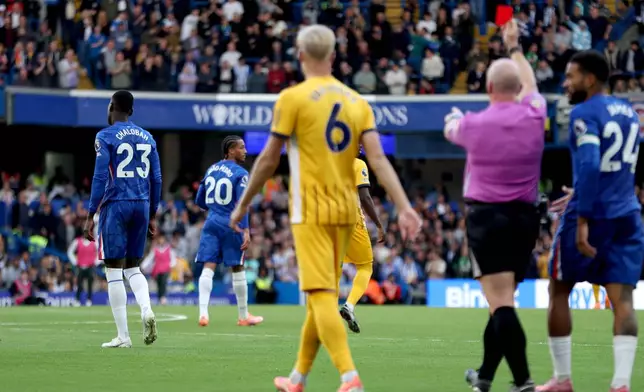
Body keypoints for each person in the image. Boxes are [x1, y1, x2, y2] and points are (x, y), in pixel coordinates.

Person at [229, 24, 422, 392]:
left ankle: (349, 377)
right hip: (348, 215)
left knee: (320, 297)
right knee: (321, 295)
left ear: (300, 56)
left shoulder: (292, 98)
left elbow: (269, 160)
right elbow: (379, 161)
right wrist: (405, 207)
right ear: (333, 56)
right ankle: (297, 378)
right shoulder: (356, 101)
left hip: (312, 213)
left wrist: (243, 204)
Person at [444, 19, 545, 392]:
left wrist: (453, 119)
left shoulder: (472, 124)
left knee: (500, 303)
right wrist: (515, 46)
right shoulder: (535, 113)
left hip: (486, 218)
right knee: (500, 301)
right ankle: (485, 376)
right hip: (525, 218)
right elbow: (532, 84)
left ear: (487, 88)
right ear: (517, 89)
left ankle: (523, 382)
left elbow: (449, 129)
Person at [537, 50, 643, 392]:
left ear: (590, 79)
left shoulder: (584, 113)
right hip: (627, 214)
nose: (566, 83)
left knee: (558, 289)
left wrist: (583, 217)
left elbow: (590, 164)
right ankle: (621, 384)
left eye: (571, 76)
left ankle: (563, 380)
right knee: (622, 300)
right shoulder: (629, 111)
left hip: (591, 214)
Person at [83, 90, 162, 349]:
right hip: (141, 204)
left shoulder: (104, 136)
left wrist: (90, 213)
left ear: (111, 107)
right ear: (132, 111)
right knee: (133, 267)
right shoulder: (148, 137)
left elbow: (99, 177)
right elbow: (157, 179)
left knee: (114, 271)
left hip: (115, 204)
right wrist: (152, 213)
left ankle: (124, 337)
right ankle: (147, 309)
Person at [195, 135, 263, 327]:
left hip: (211, 222)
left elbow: (200, 200)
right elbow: (244, 203)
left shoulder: (211, 169)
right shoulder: (240, 173)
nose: (245, 151)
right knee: (237, 267)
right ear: (231, 150)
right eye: (241, 148)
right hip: (232, 223)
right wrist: (246, 230)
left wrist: (213, 207)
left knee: (209, 266)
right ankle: (243, 316)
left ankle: (203, 314)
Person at [339, 155, 385, 333]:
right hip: (351, 219)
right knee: (365, 267)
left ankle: (324, 315)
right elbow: (365, 197)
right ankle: (349, 306)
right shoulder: (357, 164)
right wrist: (379, 224)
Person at [141, 235, 177, 305]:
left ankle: (163, 298)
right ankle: (160, 297)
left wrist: (171, 265)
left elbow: (173, 259)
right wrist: (143, 265)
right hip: (157, 270)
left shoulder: (169, 249)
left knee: (163, 282)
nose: (161, 241)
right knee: (159, 284)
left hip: (166, 269)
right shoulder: (155, 249)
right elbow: (150, 259)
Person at [67, 232, 100, 306]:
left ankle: (89, 300)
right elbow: (70, 251)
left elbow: (100, 251)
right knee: (79, 284)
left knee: (90, 284)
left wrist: (96, 262)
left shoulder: (94, 242)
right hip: (80, 266)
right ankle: (77, 300)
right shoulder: (77, 241)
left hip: (90, 266)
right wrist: (75, 262)